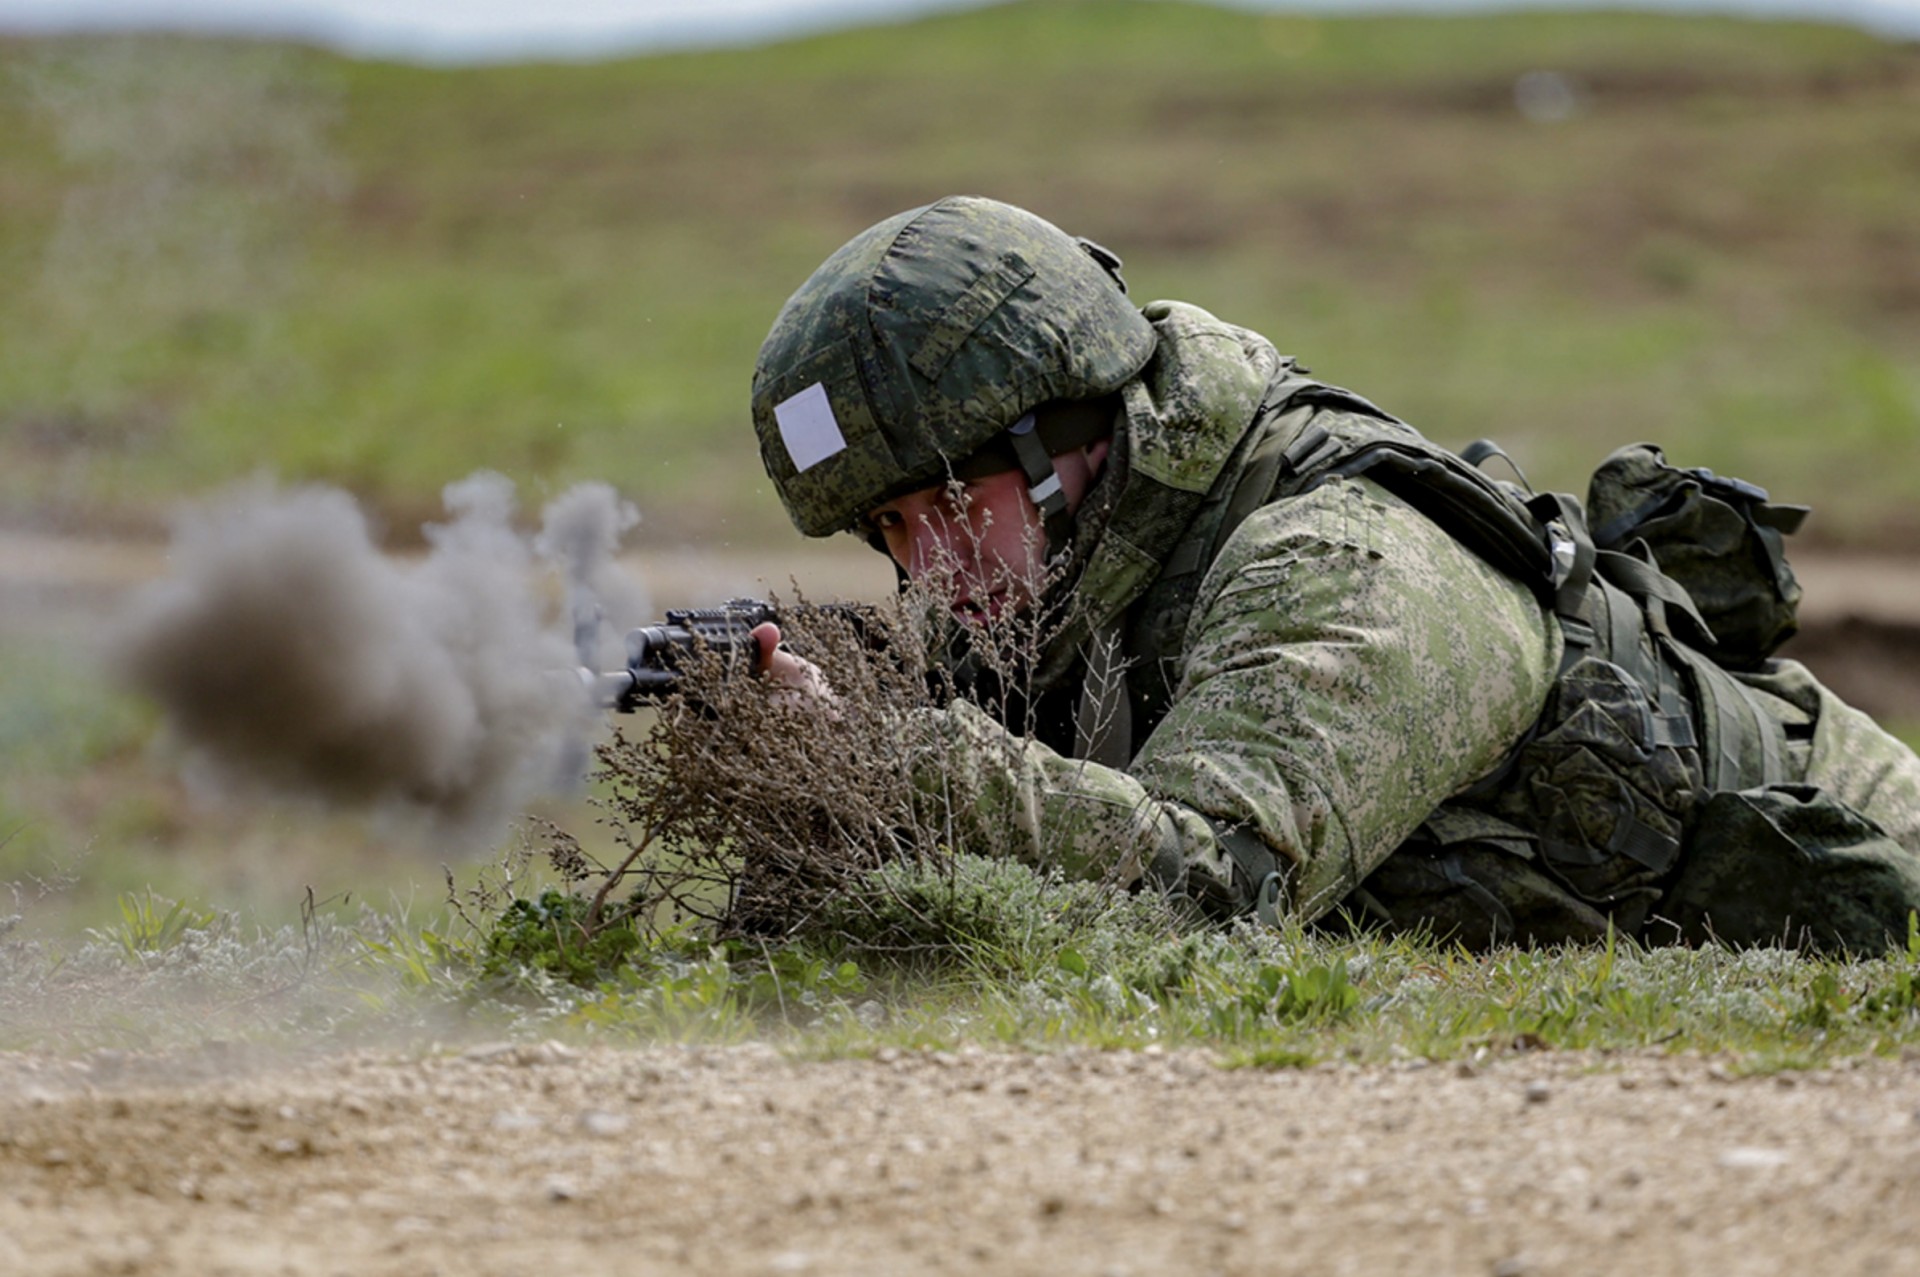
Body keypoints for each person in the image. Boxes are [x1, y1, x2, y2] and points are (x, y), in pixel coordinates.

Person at [745, 195, 1920, 951]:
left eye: (948, 502)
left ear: (1062, 440)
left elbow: (1218, 895)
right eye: (890, 531)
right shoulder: (1062, 578)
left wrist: (896, 765)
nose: (930, 568)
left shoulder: (1335, 556)